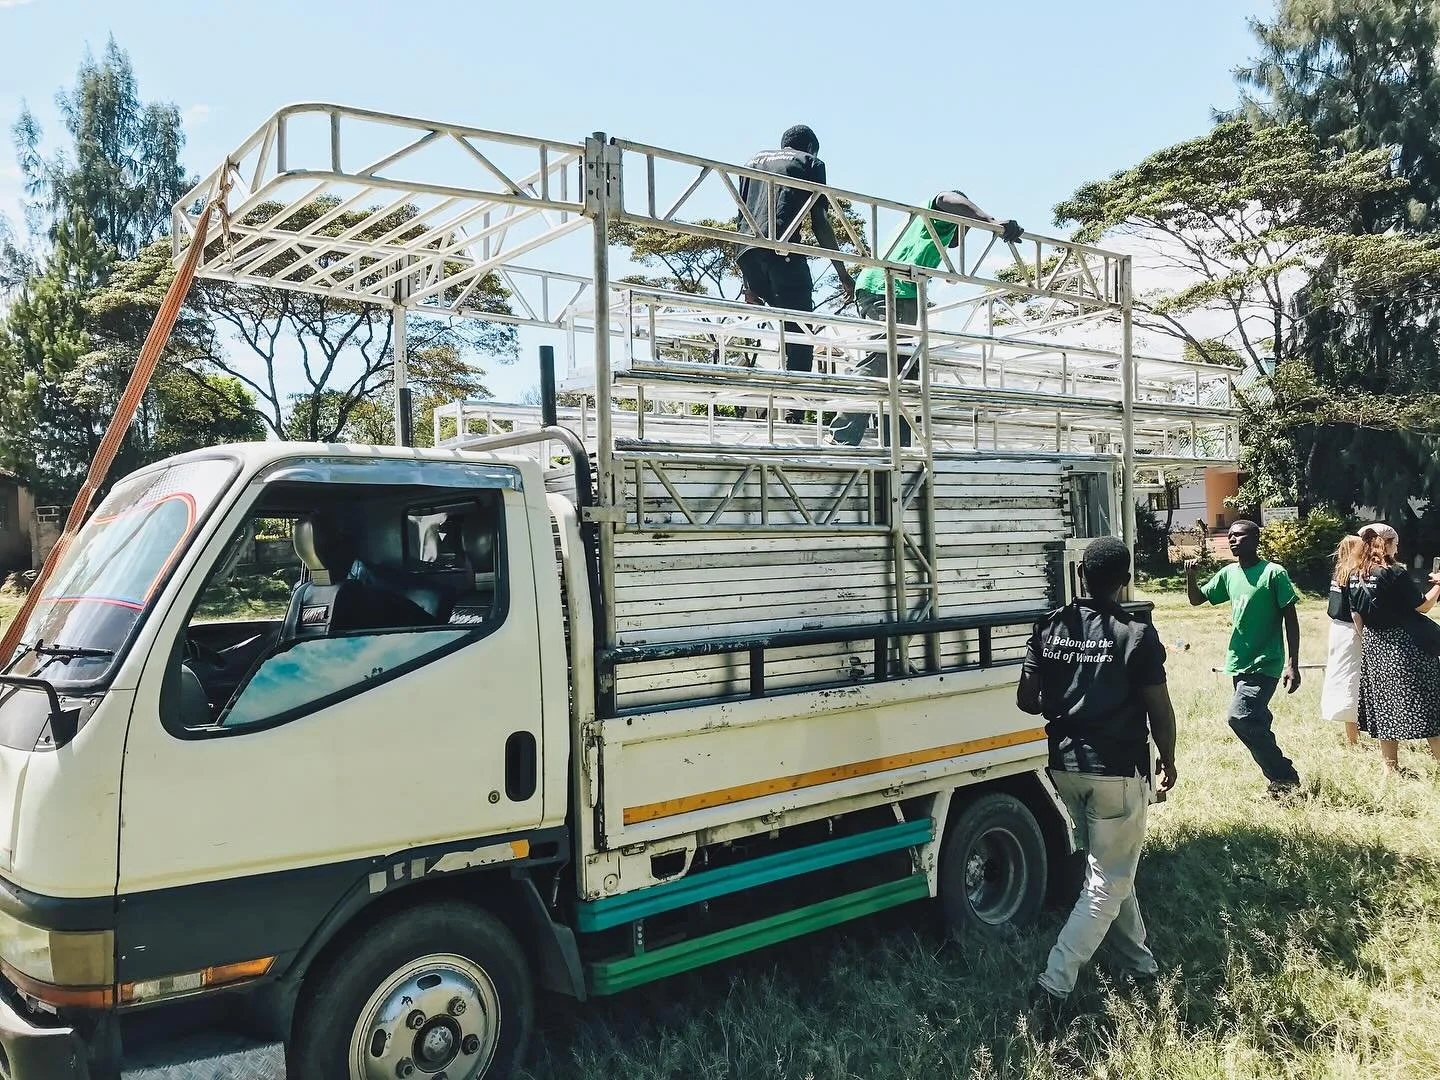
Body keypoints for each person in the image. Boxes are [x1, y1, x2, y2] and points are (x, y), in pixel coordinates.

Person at [1018, 536, 1177, 1021]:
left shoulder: (1048, 627)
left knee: (1108, 867)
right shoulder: (1136, 634)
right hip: (1118, 771)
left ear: (1080, 575)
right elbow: (1159, 708)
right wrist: (1167, 759)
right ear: (1125, 580)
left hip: (1065, 767)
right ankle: (1054, 984)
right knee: (1108, 880)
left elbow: (1027, 699)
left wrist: (1068, 706)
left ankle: (1140, 966)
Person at [830, 191, 1022, 446]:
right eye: (964, 229)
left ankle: (897, 443)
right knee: (882, 358)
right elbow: (945, 197)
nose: (961, 236)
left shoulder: (927, 234)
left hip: (900, 291)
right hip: (887, 287)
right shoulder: (937, 214)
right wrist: (989, 221)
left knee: (905, 369)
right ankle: (842, 434)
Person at [734, 125, 855, 424]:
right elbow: (820, 221)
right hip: (783, 252)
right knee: (801, 333)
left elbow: (742, 217)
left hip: (748, 255)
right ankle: (793, 410)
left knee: (784, 327)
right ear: (811, 147)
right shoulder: (810, 162)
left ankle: (774, 403)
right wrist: (843, 273)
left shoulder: (752, 161)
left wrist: (747, 284)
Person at [1186, 519, 1303, 796]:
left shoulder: (1273, 573)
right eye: (1230, 536)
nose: (1232, 540)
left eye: (1238, 535)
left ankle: (1284, 774)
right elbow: (1196, 600)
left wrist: (1292, 663)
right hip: (1238, 662)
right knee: (1253, 721)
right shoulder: (1229, 574)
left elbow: (1291, 619)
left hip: (1266, 662)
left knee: (1239, 717)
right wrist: (1190, 576)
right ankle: (1282, 784)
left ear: (1255, 540)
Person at [1347, 522, 1440, 775]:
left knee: (1385, 706)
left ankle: (1390, 767)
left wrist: (1369, 640)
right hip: (1407, 647)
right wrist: (1439, 585)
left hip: (1375, 646)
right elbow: (1422, 606)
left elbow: (1356, 615)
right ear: (1385, 544)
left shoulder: (1355, 574)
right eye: (1395, 544)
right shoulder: (1393, 573)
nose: (1397, 550)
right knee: (1429, 702)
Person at [1321, 535, 1367, 747]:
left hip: (1337, 629)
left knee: (1342, 678)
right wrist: (1364, 636)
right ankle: (1353, 738)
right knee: (1352, 680)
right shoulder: (1354, 574)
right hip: (1351, 630)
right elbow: (1356, 611)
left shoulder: (1339, 571)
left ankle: (1351, 735)